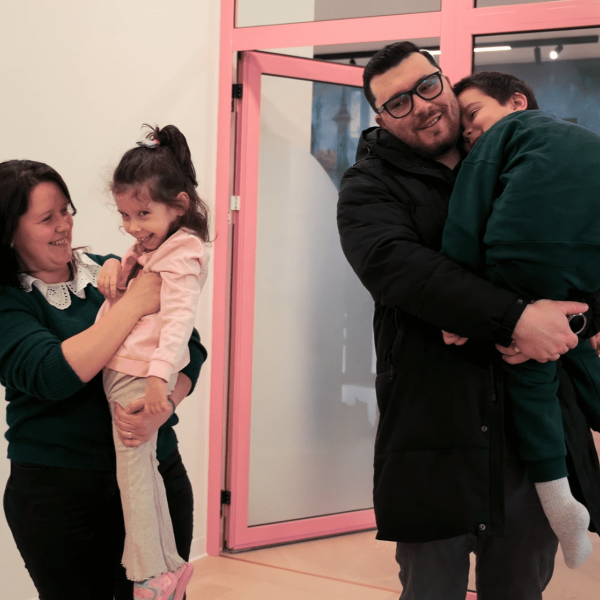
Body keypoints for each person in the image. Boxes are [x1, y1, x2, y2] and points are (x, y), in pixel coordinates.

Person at [336, 41, 600, 600]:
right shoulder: (368, 186)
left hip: (528, 441)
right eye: (398, 102)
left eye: (427, 86)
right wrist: (515, 320)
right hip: (434, 436)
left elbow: (578, 263)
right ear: (381, 118)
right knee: (431, 588)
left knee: (521, 588)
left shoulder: (516, 156)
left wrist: (571, 324)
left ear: (443, 78)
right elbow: (400, 270)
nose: (422, 105)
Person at [0, 158, 206, 600]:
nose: (64, 225)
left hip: (155, 473)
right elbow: (51, 374)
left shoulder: (112, 271)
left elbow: (189, 348)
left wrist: (163, 406)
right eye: (46, 218)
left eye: (66, 210)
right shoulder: (10, 301)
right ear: (10, 232)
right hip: (61, 497)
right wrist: (133, 305)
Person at [440, 71, 600, 569]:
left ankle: (560, 503)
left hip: (522, 251)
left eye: (473, 115)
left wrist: (457, 310)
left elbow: (466, 215)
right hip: (586, 258)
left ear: (516, 102)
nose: (469, 132)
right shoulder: (586, 138)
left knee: (529, 368)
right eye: (464, 131)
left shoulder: (503, 137)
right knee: (573, 348)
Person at [95, 124, 210, 600]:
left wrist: (160, 380)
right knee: (142, 469)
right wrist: (117, 268)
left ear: (178, 205)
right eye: (124, 215)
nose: (132, 226)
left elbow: (180, 322)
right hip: (132, 368)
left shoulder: (181, 253)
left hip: (138, 372)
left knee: (135, 473)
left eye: (142, 214)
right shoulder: (158, 245)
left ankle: (151, 575)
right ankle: (167, 567)